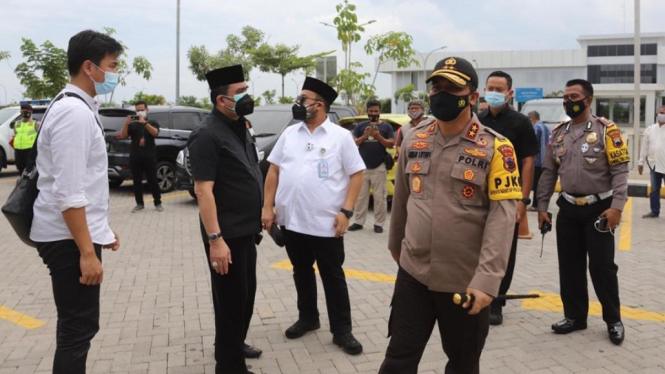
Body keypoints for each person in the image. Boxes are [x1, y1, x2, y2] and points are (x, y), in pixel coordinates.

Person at [380, 57, 521, 374]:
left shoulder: (497, 148)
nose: (441, 94)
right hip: (413, 274)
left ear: (472, 96)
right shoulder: (415, 139)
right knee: (398, 358)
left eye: (452, 88)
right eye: (436, 87)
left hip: (465, 281)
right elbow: (403, 199)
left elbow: (502, 220)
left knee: (463, 362)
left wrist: (487, 281)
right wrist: (396, 247)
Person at [30, 29, 122, 374]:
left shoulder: (77, 106)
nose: (114, 74)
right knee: (77, 328)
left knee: (78, 326)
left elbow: (83, 182)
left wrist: (101, 230)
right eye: (111, 66)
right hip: (67, 240)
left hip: (73, 234)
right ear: (89, 67)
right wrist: (87, 252)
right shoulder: (74, 113)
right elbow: (69, 192)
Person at [262, 77, 366, 355]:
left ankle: (342, 330)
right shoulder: (290, 134)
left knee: (333, 275)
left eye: (303, 99)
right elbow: (273, 170)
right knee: (301, 272)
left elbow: (357, 174)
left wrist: (346, 211)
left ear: (318, 105)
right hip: (292, 221)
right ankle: (308, 318)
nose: (298, 103)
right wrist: (267, 207)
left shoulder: (340, 137)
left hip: (326, 222)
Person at [537, 79, 629, 345]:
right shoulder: (559, 133)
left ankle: (613, 319)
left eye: (574, 96)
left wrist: (617, 208)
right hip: (568, 208)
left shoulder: (606, 131)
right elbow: (548, 173)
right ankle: (575, 317)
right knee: (570, 266)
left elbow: (620, 172)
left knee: (602, 268)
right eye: (565, 96)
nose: (568, 101)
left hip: (599, 210)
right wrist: (542, 206)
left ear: (588, 100)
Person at [187, 64, 263, 374]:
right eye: (240, 92)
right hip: (226, 235)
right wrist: (215, 241)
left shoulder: (240, 125)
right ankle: (230, 366)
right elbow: (203, 192)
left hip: (247, 231)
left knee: (244, 297)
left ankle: (233, 343)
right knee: (230, 301)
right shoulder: (206, 134)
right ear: (221, 100)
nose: (247, 96)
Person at [478, 70, 539, 325]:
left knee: (504, 250)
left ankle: (497, 302)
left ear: (509, 93)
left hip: (507, 196)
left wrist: (523, 201)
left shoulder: (520, 122)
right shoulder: (476, 120)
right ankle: (478, 294)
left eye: (499, 89)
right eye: (490, 88)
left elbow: (528, 162)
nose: (493, 93)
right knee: (476, 247)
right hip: (478, 196)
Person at [348, 99, 395, 233]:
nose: (373, 114)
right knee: (360, 197)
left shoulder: (386, 127)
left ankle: (379, 224)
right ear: (367, 112)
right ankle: (358, 221)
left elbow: (390, 144)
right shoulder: (361, 126)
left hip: (379, 166)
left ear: (380, 111)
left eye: (376, 111)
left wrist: (377, 136)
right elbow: (354, 143)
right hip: (362, 167)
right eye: (371, 111)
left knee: (380, 198)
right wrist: (364, 136)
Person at [120, 101, 163, 212]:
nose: (140, 112)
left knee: (152, 180)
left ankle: (158, 202)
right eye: (137, 110)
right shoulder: (133, 124)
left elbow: (155, 133)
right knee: (137, 181)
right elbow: (123, 135)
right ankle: (139, 203)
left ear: (147, 110)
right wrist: (126, 123)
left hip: (149, 156)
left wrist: (144, 123)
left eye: (142, 110)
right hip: (135, 156)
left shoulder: (152, 122)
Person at [638, 105, 665, 218]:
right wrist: (641, 162)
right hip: (654, 165)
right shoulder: (650, 129)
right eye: (661, 112)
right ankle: (654, 211)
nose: (662, 115)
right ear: (656, 114)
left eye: (664, 113)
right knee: (654, 189)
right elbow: (645, 147)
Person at [528, 110, 551, 211]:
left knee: (536, 183)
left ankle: (535, 205)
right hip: (545, 159)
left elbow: (532, 142)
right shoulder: (546, 127)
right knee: (541, 184)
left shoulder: (536, 127)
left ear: (532, 118)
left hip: (537, 160)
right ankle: (540, 204)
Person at [12, 103, 40, 174]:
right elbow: (15, 135)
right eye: (22, 111)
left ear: (31, 112)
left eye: (26, 111)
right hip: (18, 151)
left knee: (30, 171)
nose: (24, 113)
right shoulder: (17, 124)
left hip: (30, 151)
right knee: (20, 170)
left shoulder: (36, 124)